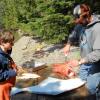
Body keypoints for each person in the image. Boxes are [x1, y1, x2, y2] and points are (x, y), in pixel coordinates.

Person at [63, 4, 100, 98]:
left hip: (97, 63)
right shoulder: (81, 24)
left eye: (80, 21)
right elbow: (74, 33)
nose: (78, 23)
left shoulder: (97, 28)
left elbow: (98, 53)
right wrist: (68, 44)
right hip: (85, 62)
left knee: (90, 89)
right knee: (80, 84)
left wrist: (79, 61)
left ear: (87, 16)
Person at [0, 30, 17, 100]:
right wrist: (13, 72)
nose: (13, 44)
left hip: (8, 86)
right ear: (2, 42)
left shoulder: (7, 50)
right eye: (11, 43)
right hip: (2, 88)